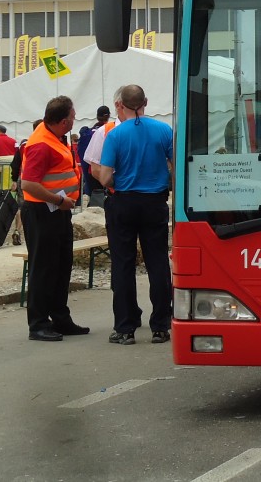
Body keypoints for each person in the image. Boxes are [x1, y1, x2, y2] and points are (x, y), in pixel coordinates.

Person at [95, 84, 174, 346]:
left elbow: (105, 176)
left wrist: (121, 179)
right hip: (155, 202)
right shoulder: (164, 130)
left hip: (124, 203)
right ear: (146, 102)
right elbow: (175, 168)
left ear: (121, 105)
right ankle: (161, 326)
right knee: (158, 262)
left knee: (123, 264)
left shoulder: (116, 135)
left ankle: (126, 328)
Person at [19, 96, 88, 342]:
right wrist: (59, 200)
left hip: (57, 211)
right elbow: (28, 183)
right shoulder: (41, 144)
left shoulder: (54, 137)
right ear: (62, 121)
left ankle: (60, 317)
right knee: (44, 269)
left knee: (61, 266)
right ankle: (38, 323)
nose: (74, 120)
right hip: (42, 212)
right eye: (72, 117)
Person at [78, 105, 114, 205]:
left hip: (89, 172)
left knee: (94, 199)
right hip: (104, 172)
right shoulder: (108, 131)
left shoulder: (88, 132)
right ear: (109, 115)